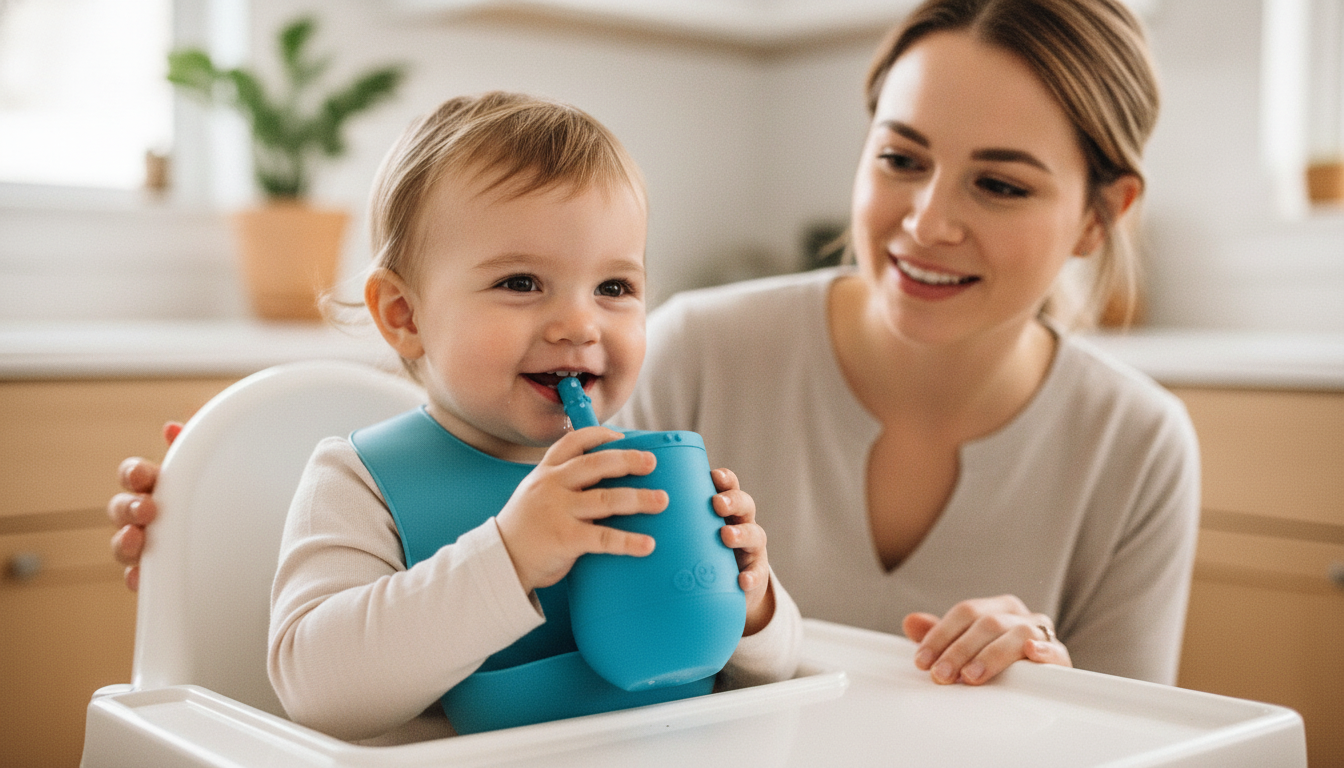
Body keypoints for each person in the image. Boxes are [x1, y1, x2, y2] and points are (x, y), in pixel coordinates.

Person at [111, 0, 1198, 696]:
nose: (927, 222)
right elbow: (459, 443)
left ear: (1101, 215)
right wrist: (221, 503)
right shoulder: (687, 359)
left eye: (999, 183)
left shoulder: (1139, 444)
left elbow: (753, 658)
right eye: (901, 158)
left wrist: (760, 599)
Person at [134, 92, 804, 744]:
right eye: (521, 283)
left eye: (614, 287)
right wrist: (510, 556)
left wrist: (751, 600)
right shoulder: (362, 481)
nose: (580, 323)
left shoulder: (640, 476)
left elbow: (777, 670)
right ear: (405, 315)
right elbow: (316, 689)